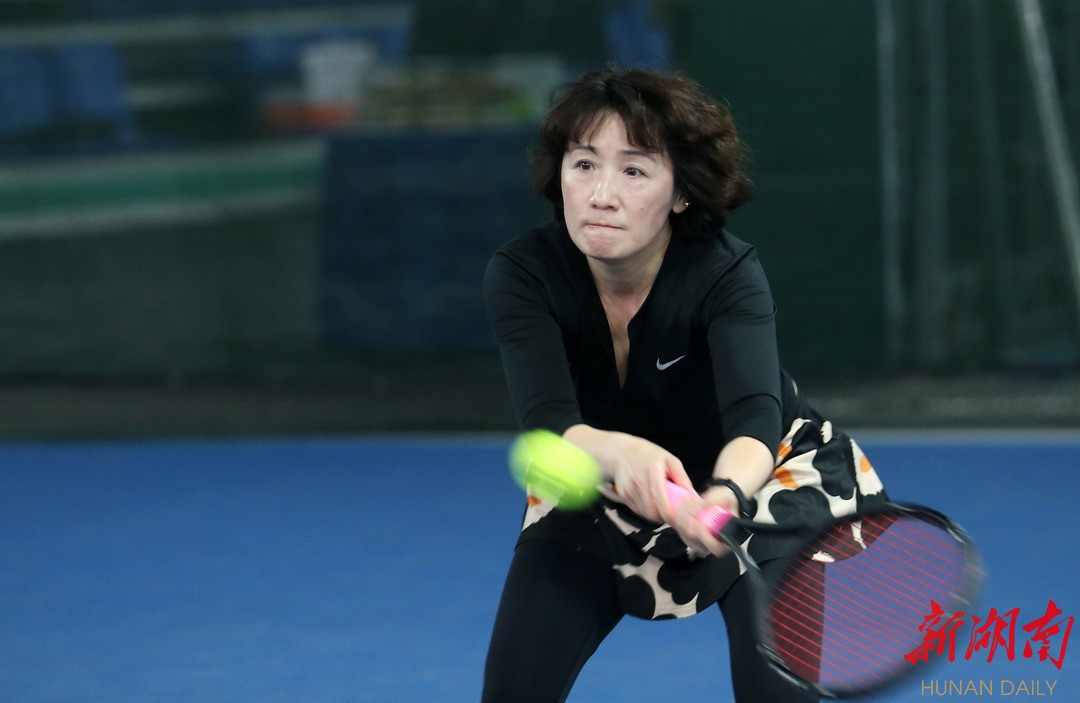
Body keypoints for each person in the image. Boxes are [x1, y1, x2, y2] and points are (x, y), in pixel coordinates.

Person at [481, 66, 887, 703]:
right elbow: (550, 425)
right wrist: (621, 452)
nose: (601, 194)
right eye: (583, 164)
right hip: (603, 480)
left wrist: (723, 497)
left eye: (634, 170)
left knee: (775, 694)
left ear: (680, 194)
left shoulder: (727, 274)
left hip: (760, 480)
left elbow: (756, 421)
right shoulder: (524, 273)